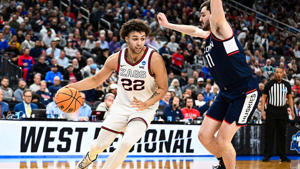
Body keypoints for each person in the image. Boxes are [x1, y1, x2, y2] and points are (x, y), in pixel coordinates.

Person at [157, 1, 260, 168]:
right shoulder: (209, 36)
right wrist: (168, 25)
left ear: (213, 15)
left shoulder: (222, 30)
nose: (200, 18)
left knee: (223, 140)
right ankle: (223, 163)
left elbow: (217, 12)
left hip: (245, 91)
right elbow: (193, 30)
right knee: (204, 136)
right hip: (226, 93)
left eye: (204, 14)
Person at [65, 19, 168, 169]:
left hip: (144, 108)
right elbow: (95, 80)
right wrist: (71, 87)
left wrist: (147, 103)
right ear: (126, 38)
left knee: (126, 143)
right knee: (99, 145)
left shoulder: (154, 59)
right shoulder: (116, 59)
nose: (139, 43)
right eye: (135, 39)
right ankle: (90, 156)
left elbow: (163, 88)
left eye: (142, 39)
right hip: (120, 106)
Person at [261, 67, 295, 162]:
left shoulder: (287, 84)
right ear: (274, 73)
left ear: (283, 73)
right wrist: (263, 111)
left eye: (280, 72)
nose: (278, 74)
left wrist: (292, 111)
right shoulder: (269, 84)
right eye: (276, 72)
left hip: (282, 111)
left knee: (282, 134)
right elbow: (263, 98)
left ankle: (283, 156)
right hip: (271, 110)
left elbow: (290, 98)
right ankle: (267, 155)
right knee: (269, 134)